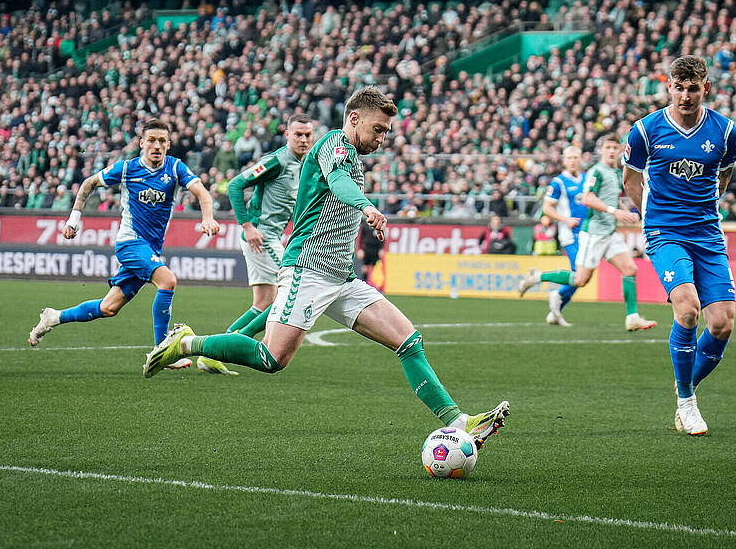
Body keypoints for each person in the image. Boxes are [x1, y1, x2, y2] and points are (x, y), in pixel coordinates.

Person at [142, 87, 510, 447]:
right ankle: (186, 342)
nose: (383, 138)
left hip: (341, 277)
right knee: (271, 357)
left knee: (408, 341)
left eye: (386, 131)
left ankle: (461, 422)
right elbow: (337, 182)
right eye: (378, 129)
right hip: (307, 268)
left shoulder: (352, 154)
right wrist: (366, 207)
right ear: (354, 119)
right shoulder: (335, 143)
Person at [27, 119, 220, 364]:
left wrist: (208, 217)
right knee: (168, 281)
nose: (157, 145)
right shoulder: (128, 168)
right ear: (142, 143)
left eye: (162, 141)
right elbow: (89, 183)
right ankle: (160, 350)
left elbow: (202, 193)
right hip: (130, 243)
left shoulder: (175, 168)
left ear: (169, 145)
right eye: (151, 140)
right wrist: (74, 219)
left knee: (109, 307)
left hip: (150, 249)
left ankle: (54, 317)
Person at [622, 55, 736, 436]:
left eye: (693, 88)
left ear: (705, 87)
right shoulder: (645, 130)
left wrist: (705, 206)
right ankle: (686, 403)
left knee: (722, 324)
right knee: (687, 309)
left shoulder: (725, 132)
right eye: (679, 87)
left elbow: (724, 176)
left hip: (707, 233)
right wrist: (651, 220)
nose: (686, 95)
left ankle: (684, 381)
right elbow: (630, 180)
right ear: (668, 87)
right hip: (665, 232)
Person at [205, 113, 316, 375]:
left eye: (307, 135)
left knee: (265, 302)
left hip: (271, 237)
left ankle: (212, 353)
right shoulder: (277, 161)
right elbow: (235, 185)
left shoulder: (304, 164)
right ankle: (232, 345)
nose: (303, 139)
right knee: (291, 292)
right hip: (261, 237)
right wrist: (247, 225)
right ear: (287, 135)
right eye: (298, 134)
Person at [519, 134, 657, 332]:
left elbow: (609, 198)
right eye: (607, 147)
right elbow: (587, 198)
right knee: (580, 280)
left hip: (608, 232)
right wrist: (613, 212)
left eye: (614, 147)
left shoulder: (617, 173)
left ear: (620, 150)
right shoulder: (596, 172)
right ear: (600, 151)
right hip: (592, 233)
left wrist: (625, 212)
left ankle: (632, 316)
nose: (611, 151)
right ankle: (537, 276)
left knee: (630, 269)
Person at [542, 145, 588, 326]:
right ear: (564, 161)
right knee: (579, 273)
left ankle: (555, 312)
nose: (573, 160)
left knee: (582, 276)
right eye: (570, 158)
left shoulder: (586, 179)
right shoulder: (558, 182)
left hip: (587, 233)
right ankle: (557, 294)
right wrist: (565, 219)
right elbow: (547, 208)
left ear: (581, 159)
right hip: (570, 234)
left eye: (576, 157)